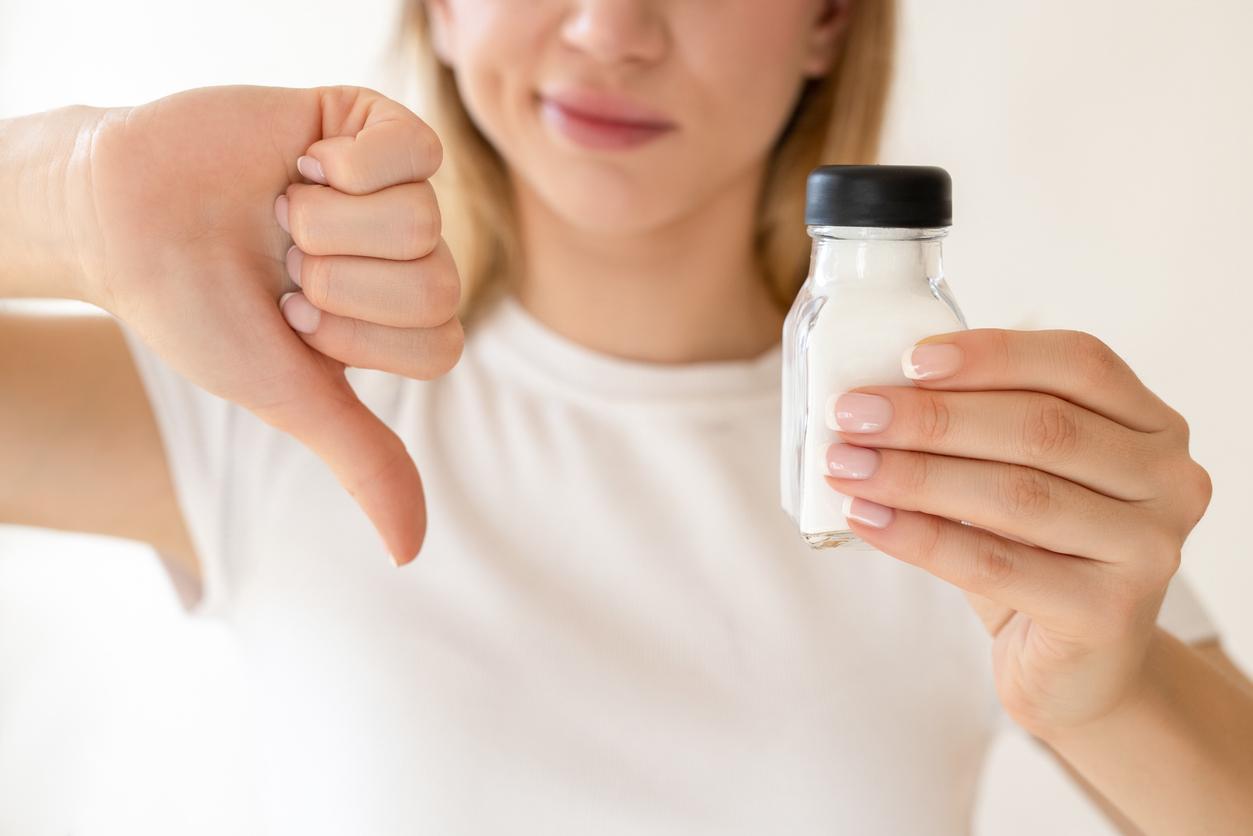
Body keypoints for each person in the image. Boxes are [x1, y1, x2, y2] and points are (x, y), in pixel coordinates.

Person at [2, 0, 1251, 833]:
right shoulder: (256, 393)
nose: (609, 30)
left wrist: (1113, 690)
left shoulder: (961, 456)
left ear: (825, 19)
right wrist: (64, 191)